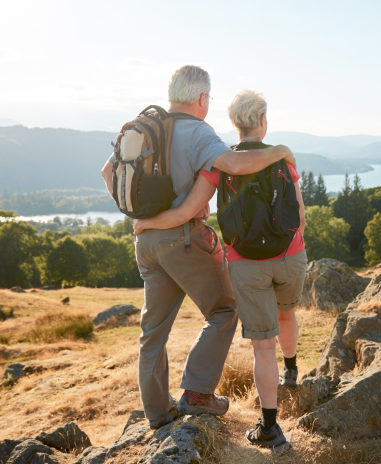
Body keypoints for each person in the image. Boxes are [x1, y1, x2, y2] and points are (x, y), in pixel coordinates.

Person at [101, 66, 297, 430]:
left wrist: (140, 216)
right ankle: (197, 393)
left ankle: (158, 414)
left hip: (144, 241)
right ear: (202, 98)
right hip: (185, 238)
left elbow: (107, 174)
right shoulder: (197, 130)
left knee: (153, 331)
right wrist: (280, 151)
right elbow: (235, 164)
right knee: (225, 308)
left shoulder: (144, 127)